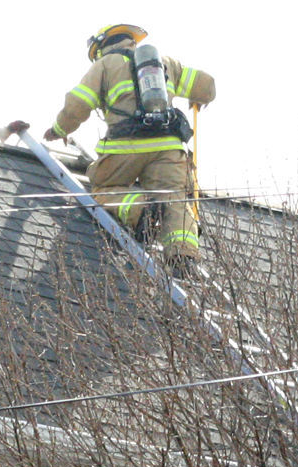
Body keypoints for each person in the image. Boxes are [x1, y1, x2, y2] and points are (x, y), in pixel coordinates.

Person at [43, 24, 215, 278]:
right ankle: (183, 257)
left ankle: (140, 211)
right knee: (175, 199)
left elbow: (78, 104)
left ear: (101, 48)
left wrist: (58, 129)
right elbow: (207, 86)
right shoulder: (165, 63)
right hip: (168, 147)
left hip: (125, 147)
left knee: (100, 189)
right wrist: (198, 99)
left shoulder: (105, 65)